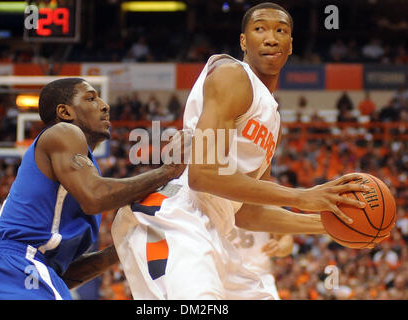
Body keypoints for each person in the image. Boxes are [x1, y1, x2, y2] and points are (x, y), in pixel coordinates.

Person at [112, 2, 371, 299]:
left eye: (280, 31)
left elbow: (246, 211)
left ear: (290, 45)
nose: (270, 37)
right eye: (259, 28)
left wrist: (332, 225)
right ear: (243, 41)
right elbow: (203, 176)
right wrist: (302, 196)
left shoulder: (273, 119)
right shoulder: (232, 75)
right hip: (175, 217)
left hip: (215, 230)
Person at [0, 78, 188, 300]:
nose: (105, 105)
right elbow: (95, 197)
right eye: (91, 98)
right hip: (15, 268)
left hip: (3, 273)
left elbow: (59, 275)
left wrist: (121, 246)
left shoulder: (78, 169)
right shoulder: (64, 132)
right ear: (65, 112)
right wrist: (168, 171)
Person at [227, 227, 293, 299]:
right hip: (222, 277)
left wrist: (279, 247)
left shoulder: (268, 215)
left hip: (259, 278)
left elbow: (286, 237)